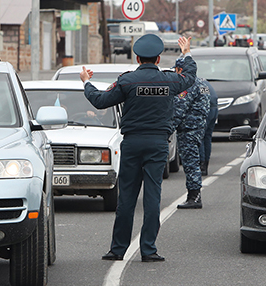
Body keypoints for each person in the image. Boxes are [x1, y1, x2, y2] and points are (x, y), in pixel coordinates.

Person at [80, 34, 197, 262]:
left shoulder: (127, 81)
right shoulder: (170, 81)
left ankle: (118, 249)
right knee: (153, 198)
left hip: (132, 144)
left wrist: (86, 81)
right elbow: (190, 77)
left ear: (137, 57)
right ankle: (149, 250)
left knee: (127, 199)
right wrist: (186, 53)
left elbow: (100, 101)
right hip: (158, 144)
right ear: (158, 58)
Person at [169, 57, 210, 209]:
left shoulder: (187, 85)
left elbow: (178, 110)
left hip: (188, 129)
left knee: (190, 162)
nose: (175, 72)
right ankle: (193, 195)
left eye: (176, 70)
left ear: (181, 70)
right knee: (193, 160)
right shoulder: (202, 84)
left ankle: (194, 196)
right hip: (198, 127)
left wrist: (168, 129)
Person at [200, 81, 217, 176]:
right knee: (207, 137)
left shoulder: (192, 83)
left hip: (206, 110)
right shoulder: (203, 82)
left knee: (200, 137)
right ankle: (205, 164)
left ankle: (202, 164)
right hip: (213, 109)